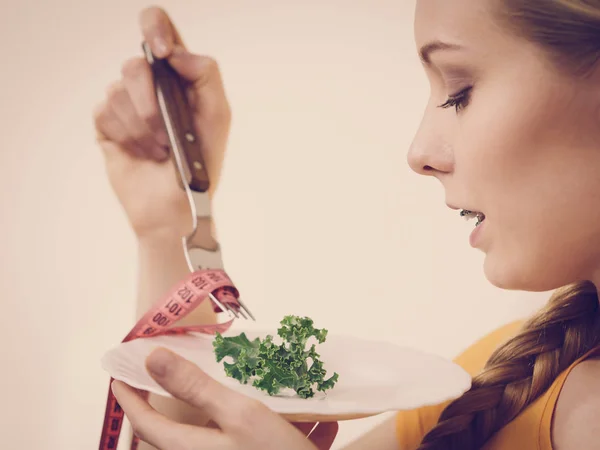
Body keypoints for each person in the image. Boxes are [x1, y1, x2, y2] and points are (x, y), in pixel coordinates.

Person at [93, 1, 600, 449]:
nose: (419, 153)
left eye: (459, 91)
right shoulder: (508, 374)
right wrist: (166, 230)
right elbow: (195, 426)